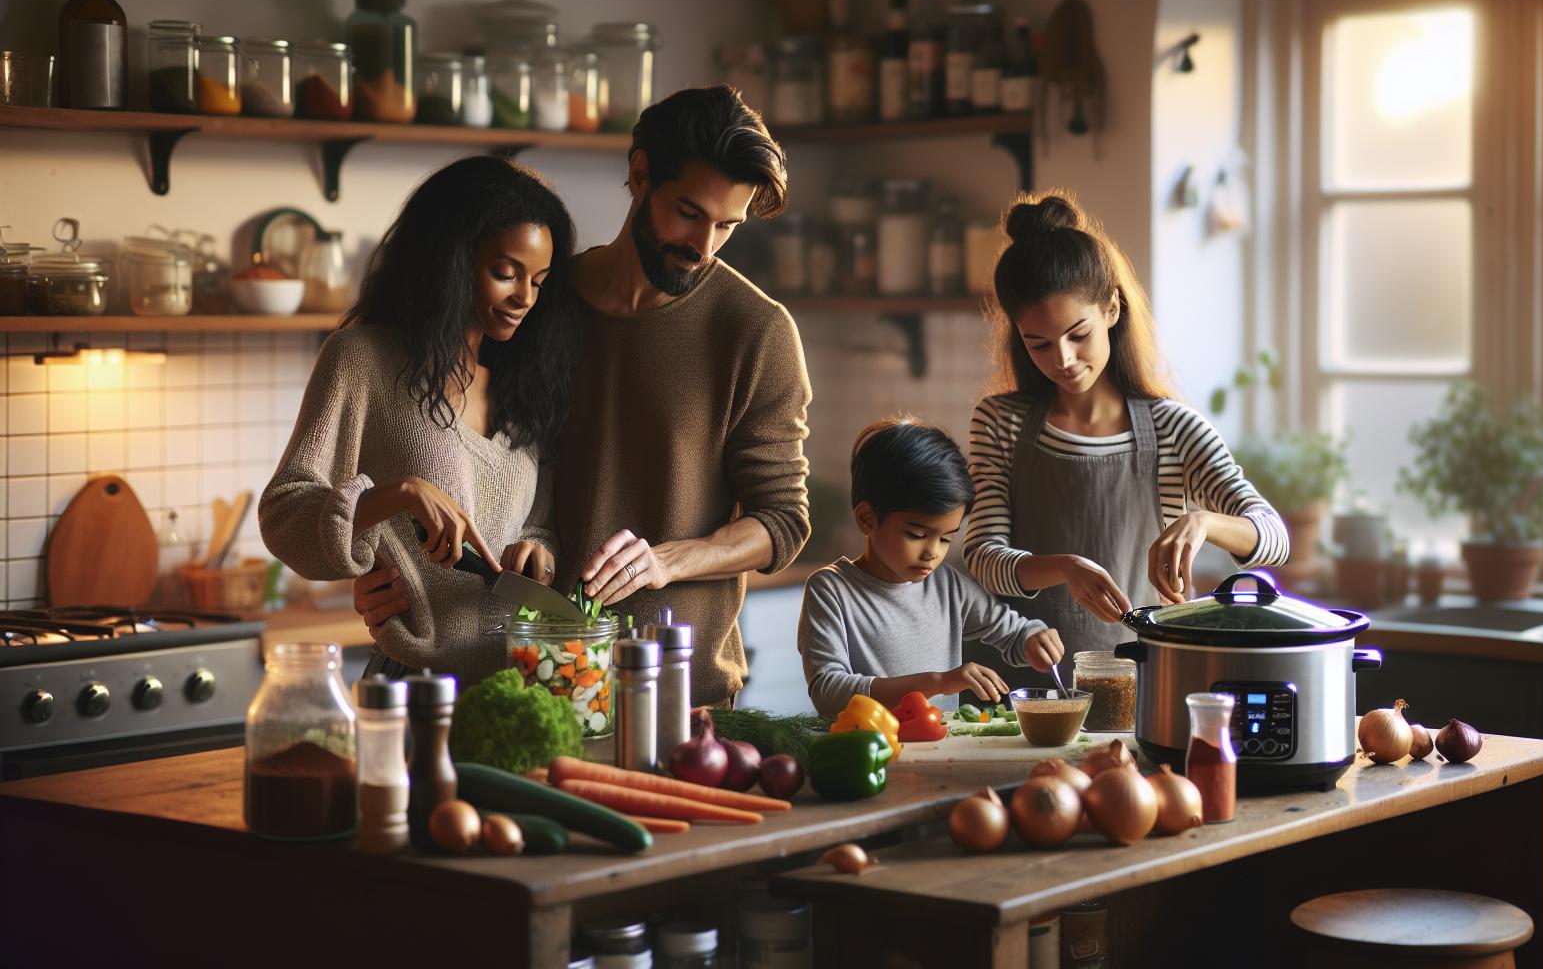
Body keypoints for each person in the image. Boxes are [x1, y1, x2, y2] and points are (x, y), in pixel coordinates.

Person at [353, 86, 811, 708]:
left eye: (727, 226)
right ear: (640, 174)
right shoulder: (535, 301)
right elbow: (440, 441)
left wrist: (667, 562)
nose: (703, 247)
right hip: (518, 678)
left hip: (672, 689)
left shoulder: (756, 331)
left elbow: (782, 520)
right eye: (689, 212)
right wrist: (387, 571)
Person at [261, 156, 579, 684]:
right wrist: (398, 494)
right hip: (417, 686)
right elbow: (284, 514)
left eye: (539, 282)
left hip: (525, 685)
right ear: (451, 260)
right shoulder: (363, 359)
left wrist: (538, 554)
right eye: (506, 273)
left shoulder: (526, 383)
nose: (525, 298)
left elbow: (539, 522)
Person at [963, 192, 1289, 685]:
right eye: (1040, 344)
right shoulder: (999, 422)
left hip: (1146, 683)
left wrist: (1203, 523)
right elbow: (986, 557)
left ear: (1112, 308)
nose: (1064, 359)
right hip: (1025, 689)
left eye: (1078, 335)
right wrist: (1066, 568)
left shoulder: (1173, 428)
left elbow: (1275, 537)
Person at [798, 418, 1065, 719]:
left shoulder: (947, 586)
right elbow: (829, 693)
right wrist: (939, 683)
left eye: (946, 538)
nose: (932, 553)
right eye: (917, 535)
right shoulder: (830, 591)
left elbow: (1013, 632)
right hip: (866, 751)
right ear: (867, 519)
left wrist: (1034, 638)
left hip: (941, 755)